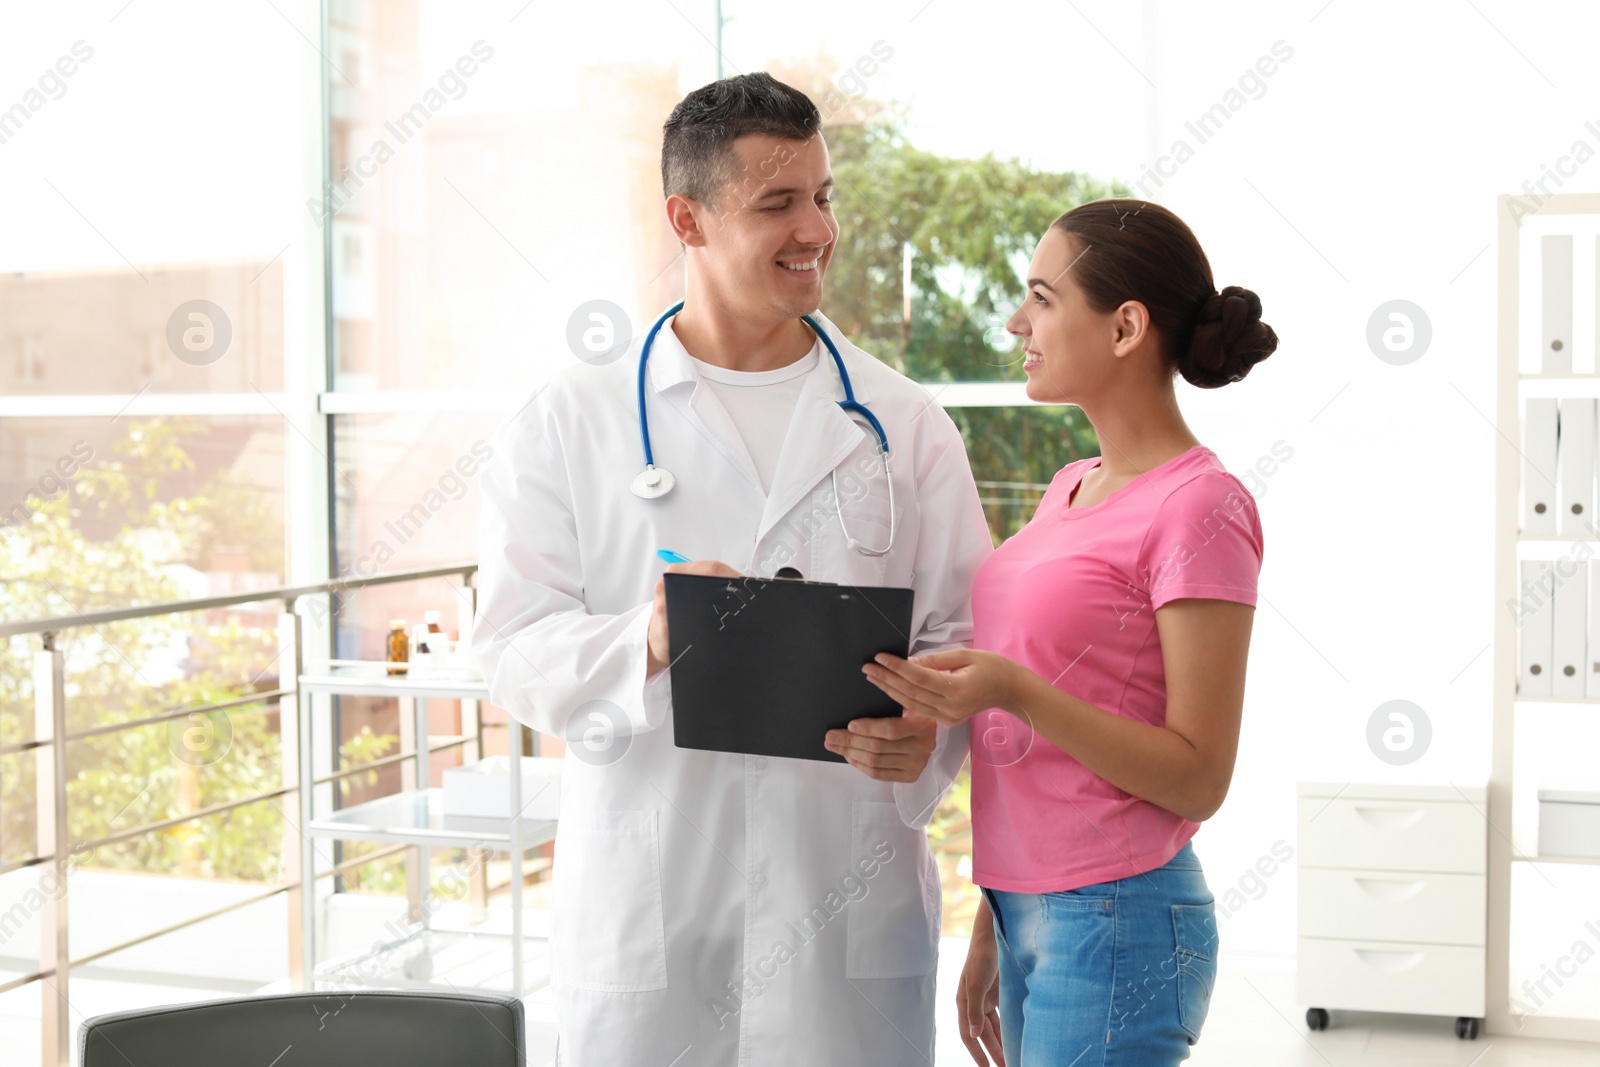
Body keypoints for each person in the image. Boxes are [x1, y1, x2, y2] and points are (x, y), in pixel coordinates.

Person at [472, 72, 994, 1066]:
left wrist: (927, 728)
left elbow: (964, 639)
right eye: (777, 204)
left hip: (842, 899)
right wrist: (650, 634)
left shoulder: (903, 421)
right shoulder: (568, 419)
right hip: (655, 910)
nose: (816, 229)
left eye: (824, 196)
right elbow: (506, 647)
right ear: (688, 218)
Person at [864, 198, 1276, 1066]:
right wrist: (995, 912)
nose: (1018, 321)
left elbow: (1199, 776)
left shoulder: (1202, 506)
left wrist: (1012, 687)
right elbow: (1043, 758)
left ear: (1126, 326)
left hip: (1119, 914)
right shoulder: (1069, 486)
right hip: (1032, 907)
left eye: (1043, 298)